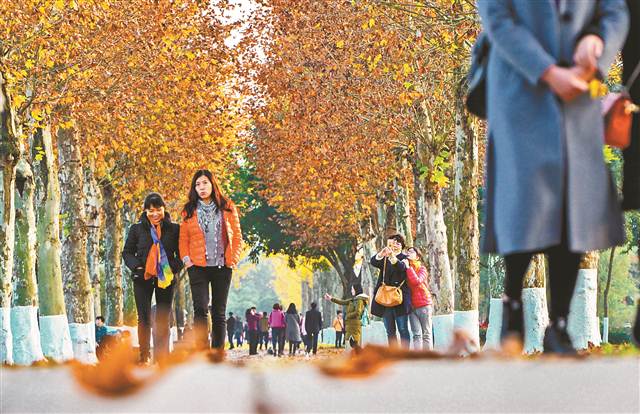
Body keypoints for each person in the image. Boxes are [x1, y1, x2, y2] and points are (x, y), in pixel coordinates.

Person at [477, 1, 628, 354]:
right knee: (525, 202)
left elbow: (615, 11)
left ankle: (559, 325)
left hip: (579, 93)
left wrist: (598, 41)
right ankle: (512, 299)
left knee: (573, 206)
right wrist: (547, 71)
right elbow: (498, 19)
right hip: (519, 90)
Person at [179, 170, 243, 350]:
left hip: (223, 266)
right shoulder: (189, 210)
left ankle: (217, 353)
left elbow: (237, 236)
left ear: (212, 184)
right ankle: (202, 353)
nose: (201, 187)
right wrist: (187, 261)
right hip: (197, 266)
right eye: (197, 184)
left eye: (204, 183)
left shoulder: (228, 207)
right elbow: (183, 239)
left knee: (219, 312)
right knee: (200, 309)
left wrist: (233, 259)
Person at [122, 192, 182, 363]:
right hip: (143, 278)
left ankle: (162, 357)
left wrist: (172, 268)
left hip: (166, 278)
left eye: (158, 210)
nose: (154, 214)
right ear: (145, 212)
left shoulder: (174, 229)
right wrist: (137, 267)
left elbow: (182, 254)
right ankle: (144, 356)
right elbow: (127, 252)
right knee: (144, 318)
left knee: (163, 316)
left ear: (164, 209)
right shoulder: (137, 229)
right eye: (150, 211)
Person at [370, 234, 411, 347]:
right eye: (393, 243)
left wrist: (393, 256)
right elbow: (373, 262)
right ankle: (393, 354)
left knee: (403, 329)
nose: (395, 245)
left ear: (402, 245)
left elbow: (401, 268)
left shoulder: (405, 258)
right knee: (390, 330)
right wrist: (381, 254)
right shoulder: (384, 258)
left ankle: (404, 354)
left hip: (400, 299)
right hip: (385, 299)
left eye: (398, 243)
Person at [325, 282, 369, 349]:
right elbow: (342, 302)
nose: (351, 291)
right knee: (352, 343)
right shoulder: (353, 300)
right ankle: (358, 357)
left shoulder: (359, 300)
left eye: (352, 289)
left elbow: (358, 312)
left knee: (354, 343)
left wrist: (348, 316)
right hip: (350, 325)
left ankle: (361, 357)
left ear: (356, 290)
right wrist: (331, 298)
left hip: (354, 326)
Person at [405, 246, 433, 350]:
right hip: (411, 306)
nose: (408, 253)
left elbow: (416, 281)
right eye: (408, 252)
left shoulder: (422, 269)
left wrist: (408, 268)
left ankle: (428, 356)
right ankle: (418, 358)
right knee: (416, 334)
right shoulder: (405, 268)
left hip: (424, 304)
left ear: (417, 257)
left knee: (426, 333)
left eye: (411, 252)